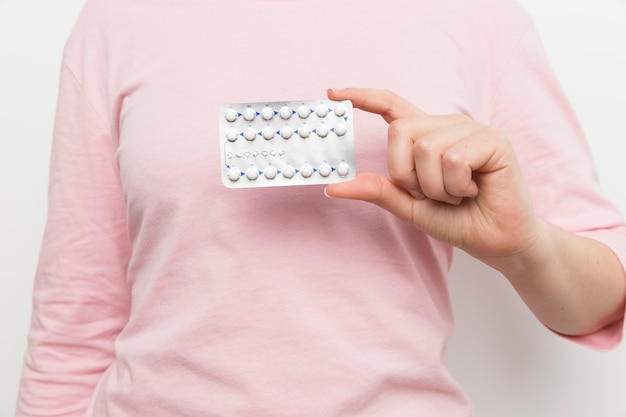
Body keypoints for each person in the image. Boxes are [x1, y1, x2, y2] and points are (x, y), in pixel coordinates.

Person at [15, 0, 626, 416]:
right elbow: (74, 326)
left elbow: (606, 295)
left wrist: (525, 248)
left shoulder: (473, 17)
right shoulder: (119, 19)